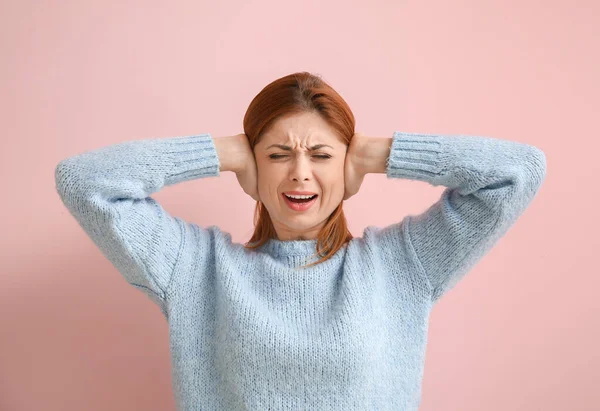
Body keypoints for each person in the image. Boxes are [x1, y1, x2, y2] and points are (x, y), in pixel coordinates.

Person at [54, 71, 547, 410]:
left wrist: (377, 153)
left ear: (349, 167)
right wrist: (222, 152)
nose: (300, 174)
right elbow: (85, 182)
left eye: (321, 155)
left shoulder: (401, 265)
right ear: (251, 169)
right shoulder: (195, 269)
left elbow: (516, 173)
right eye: (277, 155)